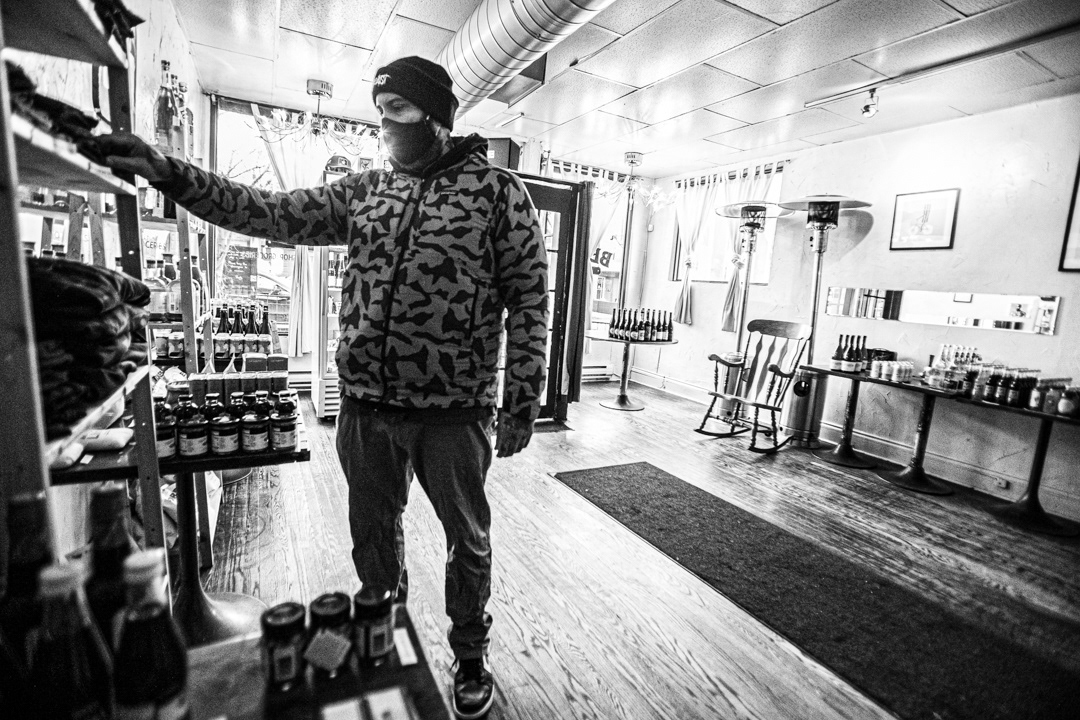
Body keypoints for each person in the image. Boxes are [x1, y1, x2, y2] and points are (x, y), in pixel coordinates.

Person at [87, 56, 549, 719]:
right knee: (373, 537)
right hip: (366, 409)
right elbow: (267, 211)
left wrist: (522, 401)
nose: (387, 124)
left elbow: (530, 300)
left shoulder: (499, 193)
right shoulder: (366, 192)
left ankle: (470, 653)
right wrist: (169, 171)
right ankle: (383, 631)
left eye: (399, 110)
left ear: (438, 117)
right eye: (380, 112)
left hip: (454, 412)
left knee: (467, 540)